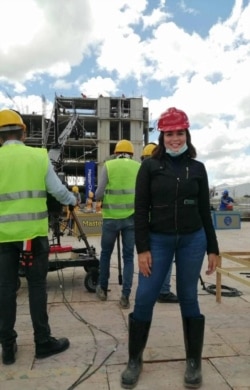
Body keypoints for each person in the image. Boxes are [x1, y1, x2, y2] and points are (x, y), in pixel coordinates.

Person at [121, 107, 219, 389]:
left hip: (193, 239)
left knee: (189, 296)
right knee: (146, 296)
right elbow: (140, 210)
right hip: (158, 240)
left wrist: (212, 248)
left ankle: (193, 363)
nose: (175, 139)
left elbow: (204, 210)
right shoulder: (150, 167)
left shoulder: (198, 169)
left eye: (179, 133)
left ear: (186, 134)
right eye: (169, 134)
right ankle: (134, 360)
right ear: (161, 136)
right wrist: (142, 249)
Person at [0, 109, 79, 365]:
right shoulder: (37, 156)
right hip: (33, 237)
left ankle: (8, 348)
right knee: (36, 288)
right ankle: (42, 342)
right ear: (23, 132)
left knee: (5, 290)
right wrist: (73, 199)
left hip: (2, 239)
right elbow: (57, 190)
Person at [95, 139, 140, 309]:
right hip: (131, 219)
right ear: (131, 153)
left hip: (111, 219)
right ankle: (125, 296)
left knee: (106, 254)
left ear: (116, 152)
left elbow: (99, 194)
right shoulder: (138, 167)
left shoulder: (109, 165)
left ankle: (103, 289)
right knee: (128, 257)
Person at [141, 143, 178, 304]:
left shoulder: (141, 170)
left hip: (144, 223)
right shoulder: (161, 171)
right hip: (160, 224)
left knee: (147, 259)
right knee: (167, 258)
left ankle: (150, 290)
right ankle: (163, 291)